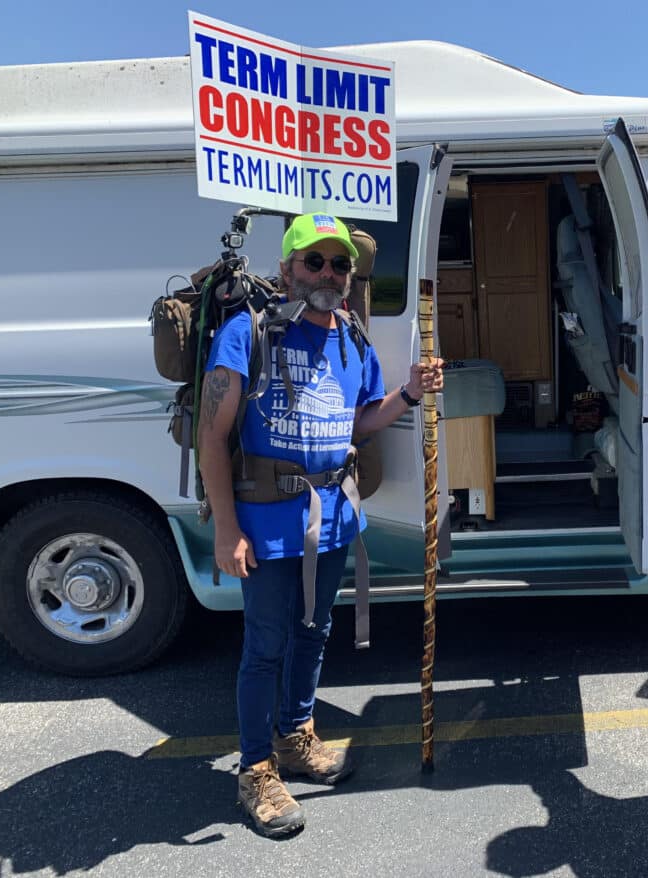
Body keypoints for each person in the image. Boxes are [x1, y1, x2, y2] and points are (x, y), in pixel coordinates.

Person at [198, 212, 443, 838]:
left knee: (313, 632)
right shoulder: (248, 333)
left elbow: (358, 421)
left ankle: (296, 736)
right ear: (287, 270)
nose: (328, 273)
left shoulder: (353, 338)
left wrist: (410, 394)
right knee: (265, 646)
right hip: (265, 521)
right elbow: (211, 436)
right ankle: (255, 770)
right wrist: (226, 529)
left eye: (339, 264)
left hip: (332, 516)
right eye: (315, 261)